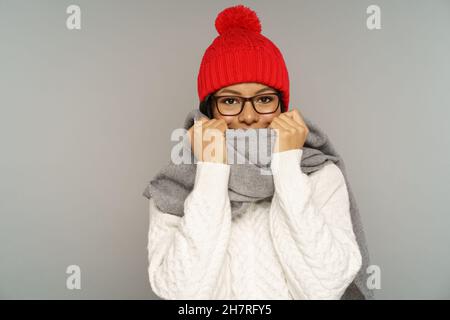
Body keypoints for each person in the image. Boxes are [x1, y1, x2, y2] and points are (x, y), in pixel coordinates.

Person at [146, 5, 364, 300]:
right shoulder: (178, 183)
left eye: (263, 99)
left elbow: (325, 289)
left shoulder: (319, 174)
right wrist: (211, 170)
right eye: (231, 101)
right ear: (210, 107)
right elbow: (181, 293)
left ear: (282, 105)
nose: (248, 116)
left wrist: (287, 165)